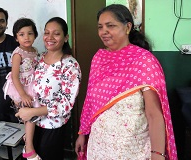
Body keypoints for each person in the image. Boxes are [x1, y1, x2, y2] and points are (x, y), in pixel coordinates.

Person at [75, 4, 177, 160]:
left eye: (111, 26)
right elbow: (90, 100)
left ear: (128, 27)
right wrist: (82, 133)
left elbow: (154, 115)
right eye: (100, 27)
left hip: (131, 151)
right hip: (99, 147)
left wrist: (157, 154)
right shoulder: (99, 58)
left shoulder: (144, 61)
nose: (104, 31)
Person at [15, 17, 81, 160]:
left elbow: (66, 104)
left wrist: (33, 112)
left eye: (56, 34)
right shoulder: (39, 58)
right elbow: (28, 85)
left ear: (65, 38)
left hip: (52, 127)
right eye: (46, 32)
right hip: (33, 124)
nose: (49, 37)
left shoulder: (70, 65)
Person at [2, 18, 41, 160]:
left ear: (35, 35)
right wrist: (23, 94)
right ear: (16, 37)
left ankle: (27, 138)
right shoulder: (18, 54)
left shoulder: (35, 51)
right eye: (22, 34)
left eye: (30, 33)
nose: (26, 37)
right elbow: (14, 77)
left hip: (33, 85)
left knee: (32, 115)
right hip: (21, 87)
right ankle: (29, 148)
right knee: (30, 115)